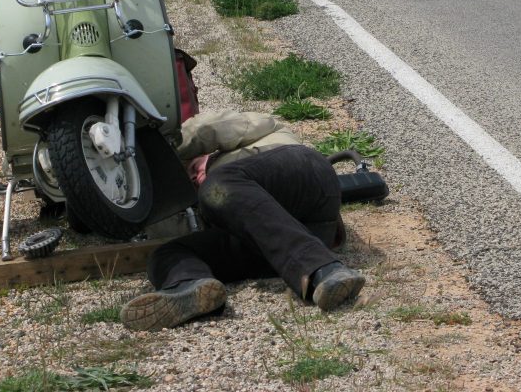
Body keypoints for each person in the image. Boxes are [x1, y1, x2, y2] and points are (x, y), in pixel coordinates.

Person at [120, 110, 365, 331]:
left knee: (217, 188)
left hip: (303, 178)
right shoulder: (214, 200)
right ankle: (190, 286)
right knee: (167, 253)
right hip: (284, 240)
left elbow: (206, 128)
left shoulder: (267, 133)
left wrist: (157, 154)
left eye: (193, 167)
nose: (194, 176)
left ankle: (325, 269)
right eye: (190, 181)